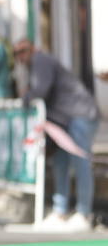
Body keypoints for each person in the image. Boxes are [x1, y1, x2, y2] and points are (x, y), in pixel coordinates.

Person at [14, 39, 100, 232]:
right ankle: (60, 210)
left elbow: (41, 89)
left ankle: (84, 212)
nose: (20, 56)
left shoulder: (41, 60)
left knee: (80, 161)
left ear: (33, 49)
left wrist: (25, 98)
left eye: (23, 51)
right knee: (60, 162)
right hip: (62, 121)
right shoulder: (34, 64)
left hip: (79, 115)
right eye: (16, 53)